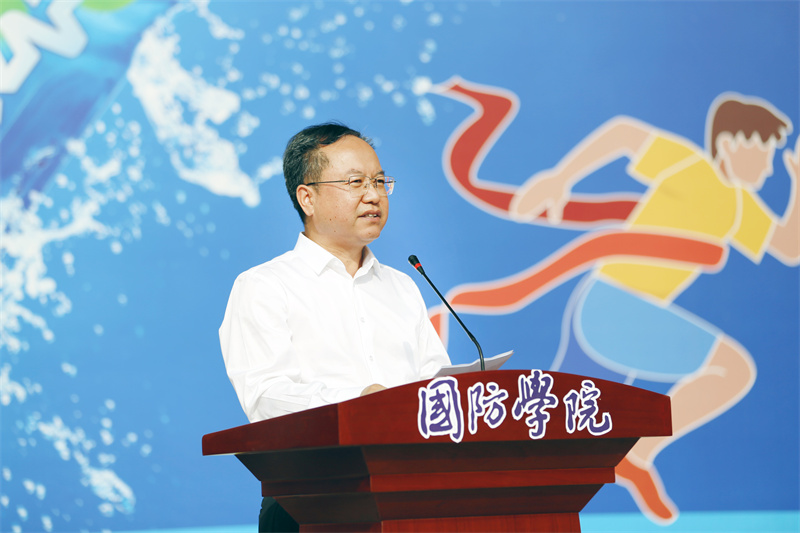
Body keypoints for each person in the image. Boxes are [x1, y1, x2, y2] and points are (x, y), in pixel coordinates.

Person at [218, 122, 451, 531]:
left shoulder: (402, 285)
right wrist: (361, 404)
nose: (373, 195)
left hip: (410, 494)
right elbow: (267, 398)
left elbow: (436, 384)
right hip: (311, 500)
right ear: (307, 197)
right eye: (355, 182)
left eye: (379, 181)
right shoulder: (264, 286)